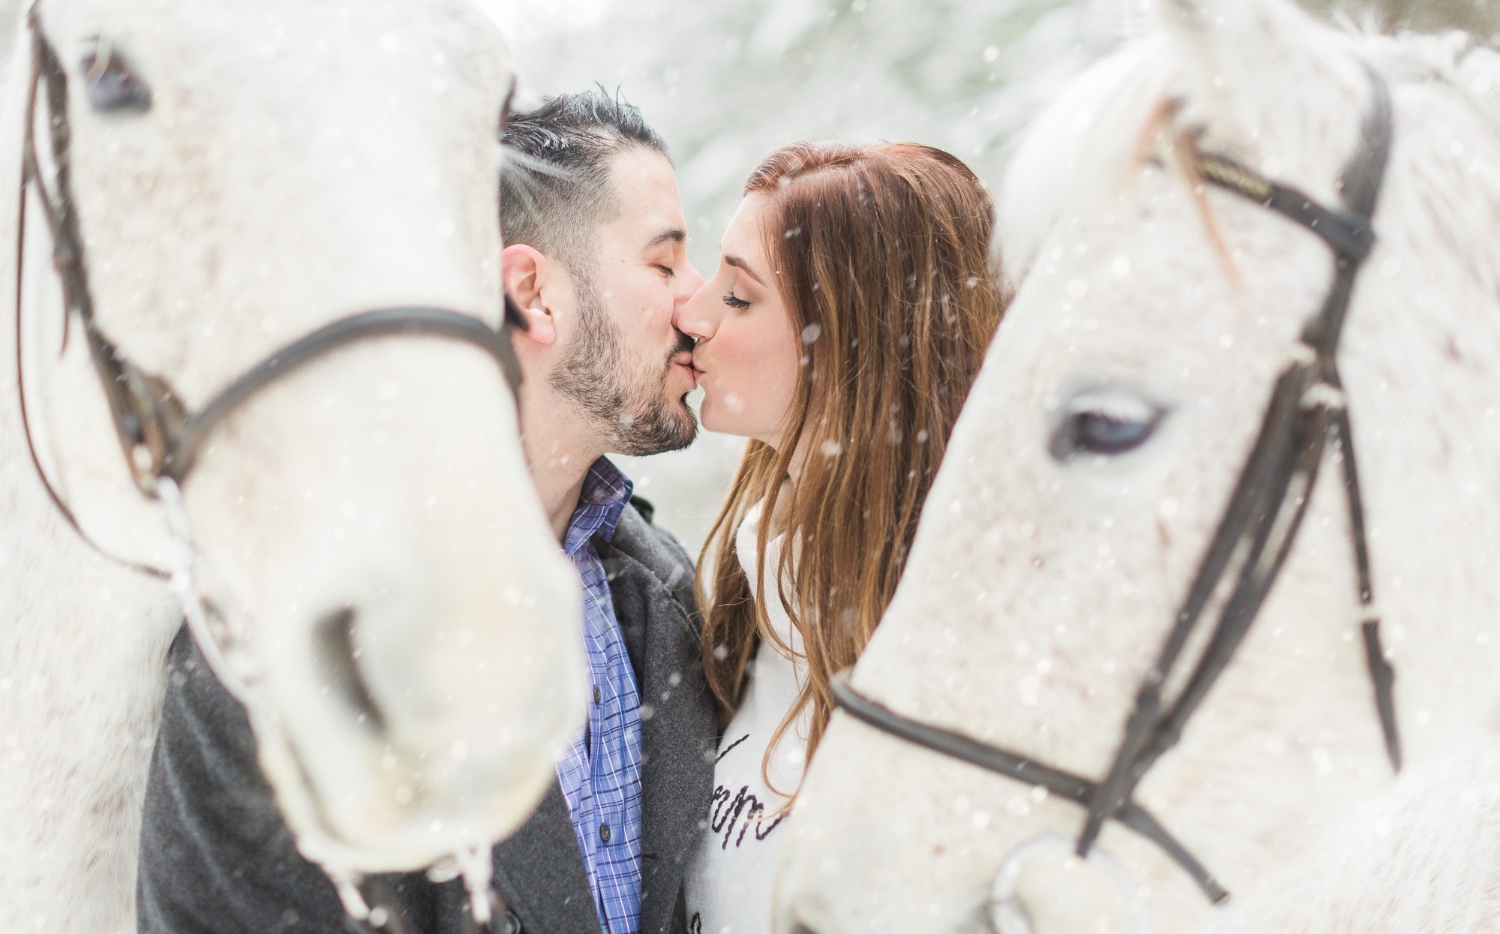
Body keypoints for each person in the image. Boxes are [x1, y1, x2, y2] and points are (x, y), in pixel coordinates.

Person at [137, 90, 719, 934]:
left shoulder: (669, 600)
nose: (696, 307)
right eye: (665, 265)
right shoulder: (275, 647)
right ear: (534, 292)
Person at [677, 141, 1005, 934]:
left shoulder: (978, 681)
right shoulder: (736, 608)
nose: (693, 313)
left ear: (853, 341)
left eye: (740, 297)